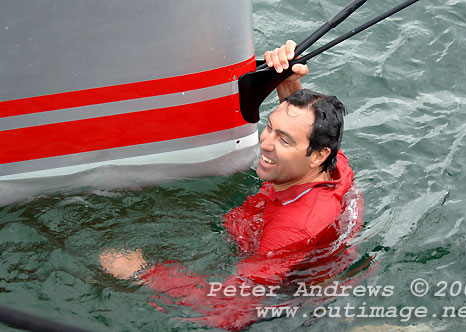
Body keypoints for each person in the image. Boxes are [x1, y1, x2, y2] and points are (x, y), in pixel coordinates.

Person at [100, 40, 364, 330]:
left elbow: (230, 311)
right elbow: (305, 134)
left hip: (295, 305)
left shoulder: (290, 231)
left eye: (283, 140)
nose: (265, 142)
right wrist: (287, 83)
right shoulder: (333, 163)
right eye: (270, 127)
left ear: (317, 156)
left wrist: (145, 272)